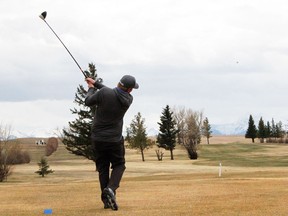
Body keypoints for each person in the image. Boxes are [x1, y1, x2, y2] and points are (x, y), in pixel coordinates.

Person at [85, 75, 139, 211]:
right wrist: (96, 83)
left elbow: (88, 101)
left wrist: (91, 88)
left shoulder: (104, 94)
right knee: (119, 165)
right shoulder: (128, 99)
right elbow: (111, 92)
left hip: (98, 139)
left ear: (118, 83)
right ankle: (110, 189)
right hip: (115, 140)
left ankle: (106, 200)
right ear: (130, 90)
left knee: (103, 168)